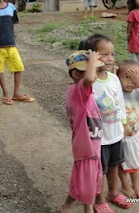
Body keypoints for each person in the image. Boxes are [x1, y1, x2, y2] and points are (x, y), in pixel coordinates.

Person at [89, 34, 132, 212]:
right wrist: (91, 65)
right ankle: (98, 200)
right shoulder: (89, 82)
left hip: (115, 133)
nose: (110, 58)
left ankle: (113, 193)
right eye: (104, 54)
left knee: (114, 165)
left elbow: (120, 102)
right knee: (100, 170)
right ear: (92, 56)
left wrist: (124, 122)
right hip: (98, 137)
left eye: (112, 54)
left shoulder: (114, 79)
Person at [61, 50, 104, 213]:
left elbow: (95, 76)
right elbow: (91, 78)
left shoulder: (76, 90)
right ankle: (85, 208)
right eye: (86, 69)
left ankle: (69, 205)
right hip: (87, 147)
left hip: (91, 143)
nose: (93, 72)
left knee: (86, 180)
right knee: (86, 182)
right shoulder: (80, 90)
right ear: (76, 74)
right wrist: (92, 59)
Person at [117, 60, 139, 199]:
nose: (130, 82)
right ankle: (125, 185)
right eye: (126, 77)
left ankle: (135, 185)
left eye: (134, 78)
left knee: (133, 162)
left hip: (133, 136)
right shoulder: (116, 92)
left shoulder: (138, 93)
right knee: (119, 163)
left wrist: (138, 83)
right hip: (117, 136)